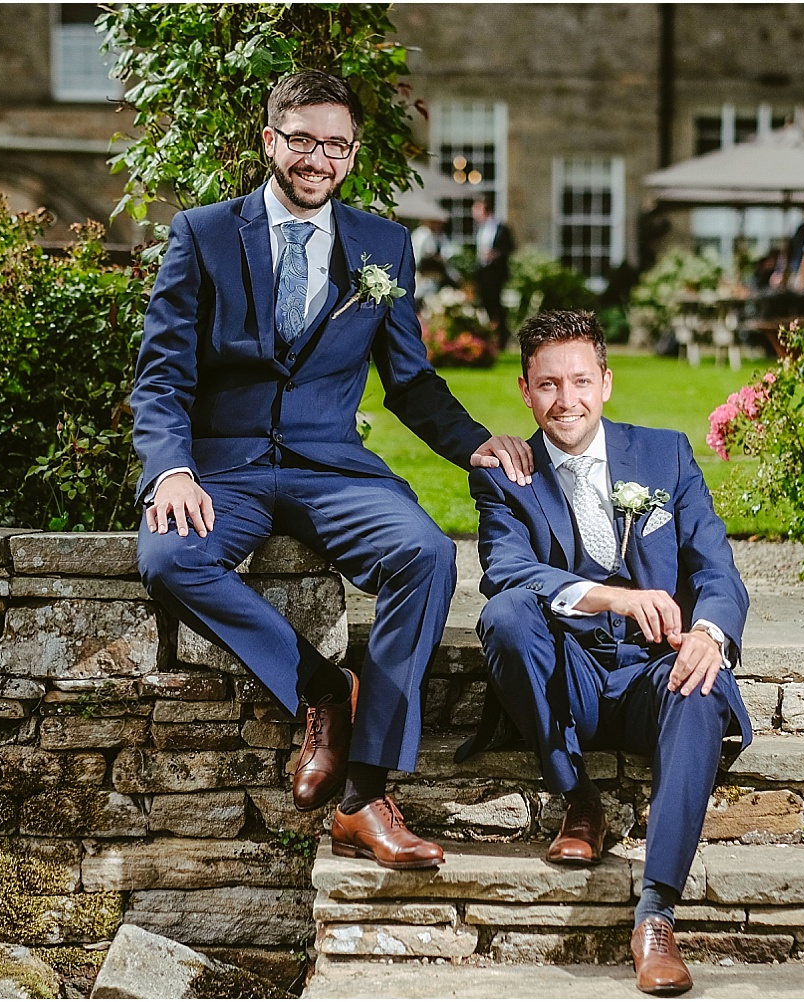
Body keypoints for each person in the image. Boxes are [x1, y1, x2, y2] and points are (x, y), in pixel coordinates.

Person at [132, 70, 534, 872]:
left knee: (424, 553)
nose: (319, 158)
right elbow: (163, 373)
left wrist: (474, 441)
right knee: (170, 557)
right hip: (225, 468)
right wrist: (171, 470)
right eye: (304, 140)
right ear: (271, 140)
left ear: (351, 155)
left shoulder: (383, 245)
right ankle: (322, 690)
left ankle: (364, 797)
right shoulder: (204, 232)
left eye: (336, 145)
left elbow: (410, 379)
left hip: (332, 467)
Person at [462, 310, 753, 996]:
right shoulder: (507, 477)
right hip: (574, 678)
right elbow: (507, 572)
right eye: (548, 385)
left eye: (581, 381)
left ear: (607, 382)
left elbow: (717, 571)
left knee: (703, 683)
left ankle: (656, 916)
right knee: (504, 616)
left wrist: (710, 633)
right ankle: (579, 798)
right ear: (526, 392)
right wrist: (609, 597)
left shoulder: (665, 454)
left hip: (658, 671)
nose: (567, 401)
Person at [471, 195, 515, 348]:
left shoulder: (501, 228)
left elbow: (509, 248)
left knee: (496, 306)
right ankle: (487, 338)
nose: (474, 213)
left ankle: (501, 339)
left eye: (477, 209)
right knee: (484, 305)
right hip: (482, 273)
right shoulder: (480, 229)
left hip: (496, 274)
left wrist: (495, 254)